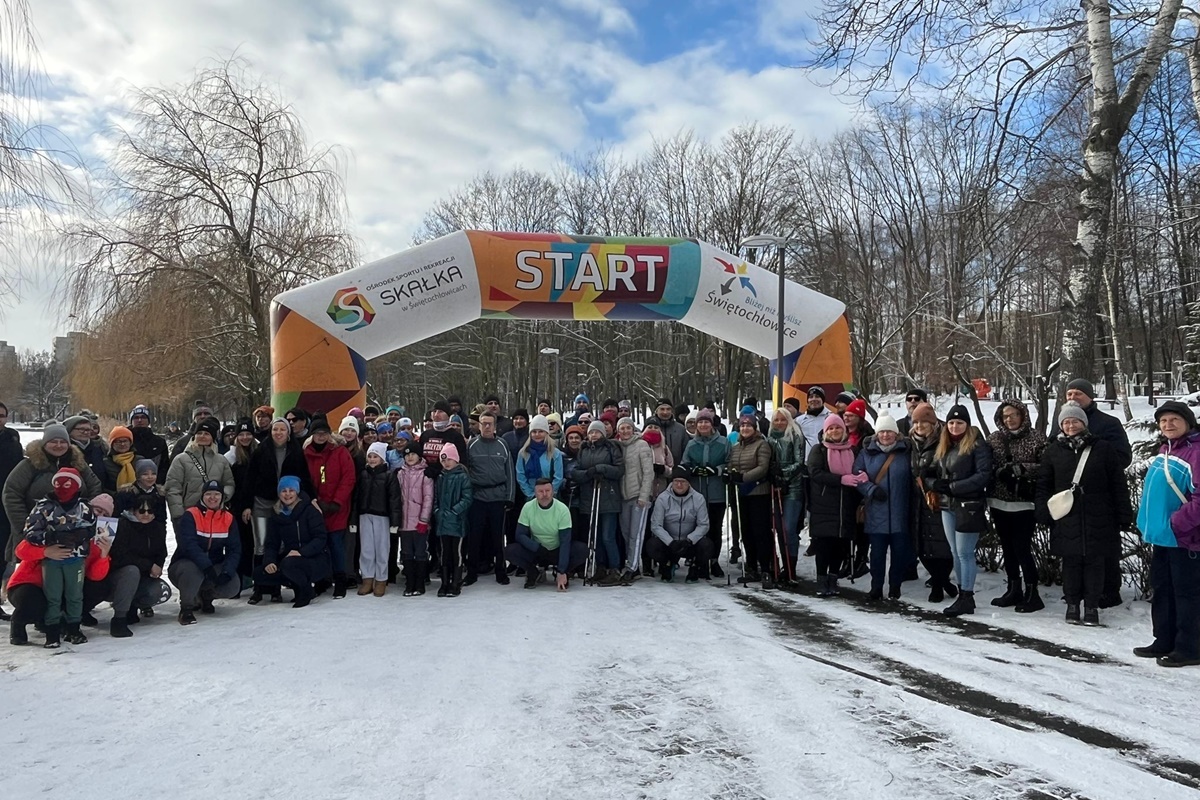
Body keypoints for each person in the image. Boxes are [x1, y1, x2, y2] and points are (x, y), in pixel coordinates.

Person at [1035, 402, 1131, 627]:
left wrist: (1124, 514)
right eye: (1066, 422)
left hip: (1100, 515)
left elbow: (1118, 483)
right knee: (1071, 563)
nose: (1070, 425)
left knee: (1095, 563)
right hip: (1067, 516)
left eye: (1075, 421)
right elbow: (1043, 485)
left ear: (1084, 423)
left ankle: (1091, 607)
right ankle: (1072, 604)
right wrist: (1042, 512)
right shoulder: (1053, 451)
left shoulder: (1103, 448)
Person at [1135, 401, 1200, 666]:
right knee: (1163, 590)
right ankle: (1164, 639)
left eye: (1174, 419)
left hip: (1185, 539)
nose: (1168, 425)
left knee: (1187, 595)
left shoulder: (1195, 453)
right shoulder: (1166, 450)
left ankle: (1190, 648)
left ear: (1188, 422)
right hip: (1163, 538)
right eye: (1163, 421)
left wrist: (1176, 524)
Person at [1064, 378, 1132, 608]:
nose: (1073, 398)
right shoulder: (1062, 423)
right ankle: (1079, 590)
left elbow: (1123, 457)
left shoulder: (1108, 423)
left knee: (1103, 549)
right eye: (1069, 394)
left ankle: (1108, 591)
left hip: (1102, 497)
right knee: (1074, 549)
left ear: (1090, 397)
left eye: (1078, 394)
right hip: (1071, 499)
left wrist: (1097, 464)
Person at [926, 404, 993, 616]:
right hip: (947, 505)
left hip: (968, 506)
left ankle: (967, 595)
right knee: (954, 551)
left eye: (960, 422)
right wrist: (933, 483)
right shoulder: (943, 445)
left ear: (967, 424)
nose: (955, 426)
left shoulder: (977, 445)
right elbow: (930, 470)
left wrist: (954, 487)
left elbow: (982, 475)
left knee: (965, 553)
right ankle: (963, 594)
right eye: (952, 422)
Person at [3, 423, 103, 567]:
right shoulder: (30, 464)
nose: (58, 445)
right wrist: (24, 526)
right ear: (45, 443)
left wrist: (88, 516)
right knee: (32, 578)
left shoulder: (78, 463)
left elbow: (94, 485)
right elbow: (11, 492)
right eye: (53, 441)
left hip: (73, 534)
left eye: (63, 442)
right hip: (36, 533)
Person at [21, 468, 99, 647]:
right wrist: (51, 538)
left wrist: (83, 534)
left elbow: (93, 527)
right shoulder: (43, 506)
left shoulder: (84, 506)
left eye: (67, 484)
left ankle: (74, 628)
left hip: (76, 559)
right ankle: (52, 632)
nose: (62, 488)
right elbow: (30, 532)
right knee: (53, 596)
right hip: (52, 560)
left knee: (75, 596)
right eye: (58, 484)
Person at [8, 516, 111, 646]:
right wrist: (45, 551)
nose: (98, 515)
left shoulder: (96, 541)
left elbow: (96, 576)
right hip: (30, 583)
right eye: (96, 510)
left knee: (96, 588)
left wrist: (103, 555)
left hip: (66, 585)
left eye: (104, 513)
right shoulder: (54, 529)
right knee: (33, 602)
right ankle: (19, 622)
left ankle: (67, 621)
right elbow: (21, 551)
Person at [986, 400, 1048, 612]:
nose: (1009, 419)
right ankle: (1014, 588)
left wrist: (1021, 469)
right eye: (1005, 416)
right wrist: (999, 472)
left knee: (1022, 547)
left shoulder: (1037, 437)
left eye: (1014, 415)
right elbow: (986, 464)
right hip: (998, 500)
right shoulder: (994, 439)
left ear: (1023, 415)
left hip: (1024, 502)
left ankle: (1033, 592)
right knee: (1007, 547)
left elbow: (1047, 466)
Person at [245, 418, 315, 579]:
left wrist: (311, 498)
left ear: (288, 433)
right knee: (261, 544)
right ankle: (260, 583)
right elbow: (250, 479)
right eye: (275, 429)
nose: (278, 433)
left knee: (280, 544)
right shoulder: (261, 450)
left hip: (285, 502)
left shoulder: (295, 451)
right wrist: (247, 504)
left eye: (282, 430)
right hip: (262, 501)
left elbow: (304, 476)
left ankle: (276, 583)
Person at [853, 415, 912, 601]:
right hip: (876, 513)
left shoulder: (906, 453)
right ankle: (876, 586)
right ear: (877, 434)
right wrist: (870, 489)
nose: (886, 435)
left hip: (900, 512)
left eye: (889, 431)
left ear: (896, 433)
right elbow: (857, 476)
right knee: (877, 554)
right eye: (882, 432)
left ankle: (895, 586)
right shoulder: (866, 453)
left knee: (899, 554)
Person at [168, 480, 242, 625]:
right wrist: (206, 566)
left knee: (233, 585)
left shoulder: (228, 518)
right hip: (186, 565)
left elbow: (235, 549)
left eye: (216, 494)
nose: (212, 498)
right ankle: (186, 608)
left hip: (214, 564)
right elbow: (188, 545)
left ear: (222, 497)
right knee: (192, 570)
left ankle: (206, 596)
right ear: (202, 496)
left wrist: (227, 572)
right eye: (208, 494)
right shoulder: (191, 514)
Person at [253, 475, 330, 607]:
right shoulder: (277, 514)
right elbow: (272, 543)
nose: (287, 494)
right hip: (291, 558)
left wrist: (302, 552)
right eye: (283, 491)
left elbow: (321, 538)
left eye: (291, 490)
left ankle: (305, 591)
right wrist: (269, 561)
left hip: (316, 559)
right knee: (260, 573)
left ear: (297, 492)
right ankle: (297, 586)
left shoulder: (310, 510)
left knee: (289, 564)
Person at [807, 414, 862, 597]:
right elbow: (815, 473)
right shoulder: (819, 450)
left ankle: (833, 578)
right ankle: (821, 580)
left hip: (845, 503)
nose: (835, 431)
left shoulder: (852, 450)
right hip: (824, 505)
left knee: (841, 543)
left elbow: (858, 469)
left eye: (838, 428)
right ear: (826, 431)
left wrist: (861, 477)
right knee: (824, 544)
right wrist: (840, 479)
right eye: (831, 428)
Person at [907, 402, 957, 603]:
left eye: (924, 422)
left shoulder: (943, 440)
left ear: (933, 422)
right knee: (922, 545)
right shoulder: (910, 442)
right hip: (918, 499)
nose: (919, 426)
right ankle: (944, 582)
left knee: (941, 544)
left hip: (938, 498)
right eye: (916, 421)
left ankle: (938, 584)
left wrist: (931, 479)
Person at [102, 493, 171, 637]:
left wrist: (158, 564)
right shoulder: (122, 525)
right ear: (133, 511)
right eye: (141, 511)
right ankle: (119, 618)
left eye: (150, 511)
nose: (146, 514)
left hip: (144, 577)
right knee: (131, 571)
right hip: (118, 577)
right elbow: (120, 556)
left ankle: (134, 605)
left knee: (161, 591)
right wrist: (148, 565)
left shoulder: (157, 528)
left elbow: (161, 551)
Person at [303, 416, 356, 598]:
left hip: (336, 507)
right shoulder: (306, 453)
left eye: (324, 433)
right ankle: (321, 579)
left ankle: (340, 579)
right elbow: (305, 479)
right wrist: (313, 500)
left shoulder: (339, 452)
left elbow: (348, 478)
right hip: (316, 507)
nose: (320, 436)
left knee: (336, 544)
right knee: (319, 544)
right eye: (317, 433)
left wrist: (336, 502)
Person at [504, 478, 588, 589]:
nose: (544, 494)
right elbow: (519, 535)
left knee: (583, 550)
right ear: (535, 493)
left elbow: (565, 541)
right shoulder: (528, 507)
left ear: (552, 492)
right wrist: (537, 548)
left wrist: (562, 570)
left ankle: (562, 573)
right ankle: (533, 572)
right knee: (509, 551)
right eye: (540, 491)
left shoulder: (562, 509)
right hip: (537, 551)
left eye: (547, 491)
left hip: (557, 551)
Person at [573, 420, 624, 584]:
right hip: (590, 497)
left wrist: (602, 469)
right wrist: (588, 474)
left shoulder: (611, 447)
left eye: (597, 432)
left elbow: (619, 470)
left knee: (608, 536)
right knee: (596, 537)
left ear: (603, 433)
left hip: (608, 497)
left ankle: (614, 568)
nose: (593, 435)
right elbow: (577, 471)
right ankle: (600, 566)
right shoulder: (584, 449)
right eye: (591, 432)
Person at [727, 413, 775, 585]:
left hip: (758, 492)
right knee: (746, 531)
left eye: (749, 426)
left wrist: (744, 477)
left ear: (755, 428)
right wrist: (730, 474)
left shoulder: (762, 444)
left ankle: (766, 568)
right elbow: (731, 464)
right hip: (742, 494)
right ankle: (752, 566)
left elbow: (763, 467)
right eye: (742, 426)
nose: (745, 428)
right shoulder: (737, 446)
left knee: (760, 531)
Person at [467, 412, 515, 585]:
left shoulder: (502, 444)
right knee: (475, 537)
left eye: (490, 423)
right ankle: (471, 572)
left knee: (498, 537)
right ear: (479, 425)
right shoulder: (471, 445)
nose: (487, 427)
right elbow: (466, 471)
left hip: (497, 497)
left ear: (495, 426)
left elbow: (510, 472)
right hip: (477, 497)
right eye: (484, 423)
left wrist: (509, 497)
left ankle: (500, 571)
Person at [682, 409, 729, 578]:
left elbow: (729, 462)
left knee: (715, 528)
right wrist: (694, 470)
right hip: (698, 492)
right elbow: (684, 464)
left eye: (706, 422)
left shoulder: (723, 442)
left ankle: (714, 561)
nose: (703, 425)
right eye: (700, 422)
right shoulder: (692, 444)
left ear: (712, 424)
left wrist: (717, 470)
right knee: (699, 528)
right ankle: (700, 560)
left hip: (717, 492)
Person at [647, 466, 715, 582]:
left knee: (707, 545)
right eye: (676, 482)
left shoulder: (698, 498)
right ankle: (667, 564)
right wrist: (670, 541)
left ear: (689, 483)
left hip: (689, 543)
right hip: (669, 542)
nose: (679, 485)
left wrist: (690, 540)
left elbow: (704, 525)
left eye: (683, 482)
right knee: (652, 545)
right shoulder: (663, 498)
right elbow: (656, 525)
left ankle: (695, 567)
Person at [352, 442, 402, 596]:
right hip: (365, 515)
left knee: (381, 548)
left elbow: (394, 500)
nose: (372, 459)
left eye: (376, 457)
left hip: (382, 516)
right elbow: (356, 498)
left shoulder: (389, 476)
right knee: (366, 549)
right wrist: (353, 520)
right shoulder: (363, 475)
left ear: (382, 459)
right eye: (370, 456)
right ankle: (367, 578)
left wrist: (395, 522)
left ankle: (381, 579)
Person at [165, 417, 234, 527]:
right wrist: (178, 515)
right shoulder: (181, 459)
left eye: (206, 433)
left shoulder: (221, 460)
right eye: (199, 433)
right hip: (188, 515)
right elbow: (173, 488)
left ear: (212, 437)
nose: (202, 436)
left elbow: (229, 484)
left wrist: (220, 499)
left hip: (214, 515)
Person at [767, 409, 805, 582]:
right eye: (777, 420)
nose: (780, 423)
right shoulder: (770, 438)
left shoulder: (795, 436)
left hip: (793, 487)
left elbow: (799, 462)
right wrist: (773, 474)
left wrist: (783, 474)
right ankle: (783, 565)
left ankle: (791, 567)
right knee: (779, 529)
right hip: (775, 487)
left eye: (783, 420)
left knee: (788, 528)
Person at [615, 417, 654, 584]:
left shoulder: (642, 445)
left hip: (639, 496)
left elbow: (648, 472)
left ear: (633, 429)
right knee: (625, 533)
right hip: (624, 496)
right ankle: (633, 563)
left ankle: (632, 567)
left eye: (627, 428)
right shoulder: (618, 447)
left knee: (635, 534)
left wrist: (644, 496)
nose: (625, 431)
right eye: (622, 428)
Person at [434, 443, 472, 597]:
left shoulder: (463, 476)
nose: (446, 463)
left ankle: (455, 582)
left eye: (449, 459)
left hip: (457, 522)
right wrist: (436, 511)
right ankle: (444, 582)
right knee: (444, 552)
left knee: (456, 553)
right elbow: (436, 496)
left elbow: (467, 498)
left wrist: (455, 511)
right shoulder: (441, 477)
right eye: (443, 461)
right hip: (443, 521)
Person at [398, 441, 434, 595]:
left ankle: (420, 583)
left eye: (413, 454)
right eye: (407, 455)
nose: (410, 457)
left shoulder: (425, 474)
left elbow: (428, 498)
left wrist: (424, 520)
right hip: (404, 522)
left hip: (419, 522)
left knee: (420, 552)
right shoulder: (400, 473)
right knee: (406, 552)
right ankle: (409, 583)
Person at [225, 419, 258, 583]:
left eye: (248, 434)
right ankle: (242, 577)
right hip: (237, 506)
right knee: (241, 542)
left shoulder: (259, 452)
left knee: (257, 541)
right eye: (242, 434)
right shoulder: (230, 458)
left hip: (257, 504)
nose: (245, 437)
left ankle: (256, 576)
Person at [128, 404, 169, 482]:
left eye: (143, 417)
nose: (140, 420)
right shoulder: (125, 440)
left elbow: (164, 467)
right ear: (131, 421)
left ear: (148, 421)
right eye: (136, 418)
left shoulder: (159, 442)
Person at [63, 413, 107, 481]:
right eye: (81, 429)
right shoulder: (63, 450)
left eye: (88, 430)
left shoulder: (100, 448)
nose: (86, 432)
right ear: (70, 430)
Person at [651, 397, 689, 466]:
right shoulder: (651, 428)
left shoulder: (680, 429)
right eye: (662, 409)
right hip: (656, 471)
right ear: (656, 411)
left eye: (668, 409)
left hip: (677, 470)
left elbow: (686, 452)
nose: (665, 412)